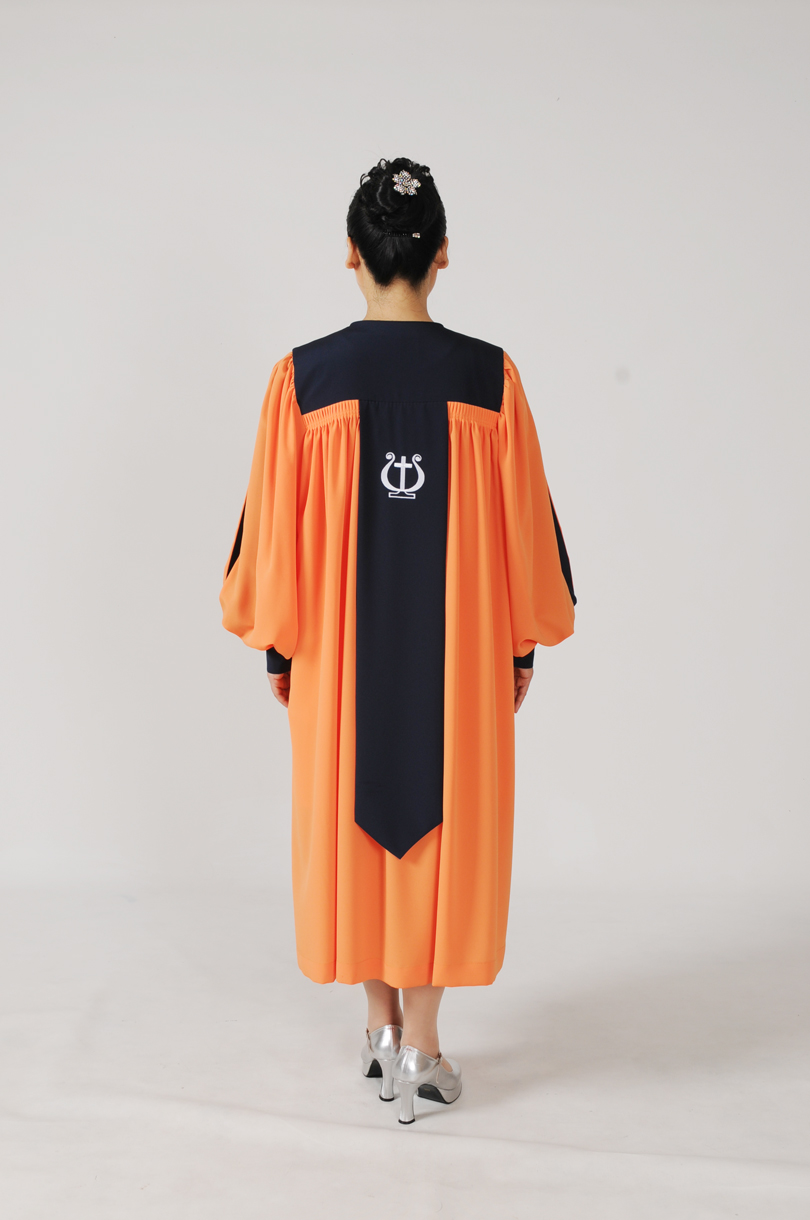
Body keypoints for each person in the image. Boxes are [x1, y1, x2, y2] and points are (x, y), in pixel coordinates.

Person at [220, 157, 576, 1125]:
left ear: (351, 252)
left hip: (338, 662)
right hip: (460, 665)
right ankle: (422, 1042)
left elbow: (269, 543)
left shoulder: (304, 381)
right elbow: (529, 535)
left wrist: (281, 649)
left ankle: (380, 1030)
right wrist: (521, 647)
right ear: (442, 253)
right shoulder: (489, 380)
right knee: (442, 822)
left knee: (356, 809)